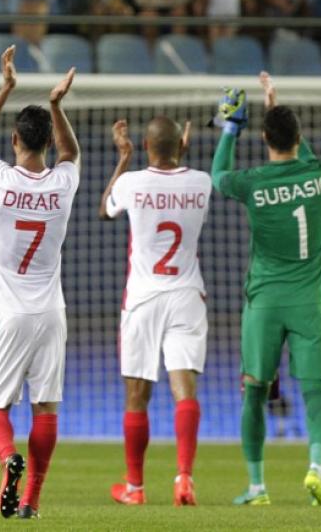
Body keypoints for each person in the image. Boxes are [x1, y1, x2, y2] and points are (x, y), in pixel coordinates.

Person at [0, 48, 79, 520]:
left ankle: (7, 457)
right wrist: (56, 105)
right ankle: (31, 499)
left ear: (13, 140)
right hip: (50, 313)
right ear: (48, 141)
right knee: (46, 407)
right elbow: (71, 153)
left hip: (6, 311)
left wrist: (6, 87)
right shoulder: (63, 183)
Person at [212, 72, 321, 506]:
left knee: (255, 391)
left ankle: (257, 487)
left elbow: (218, 175)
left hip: (264, 304)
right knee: (316, 393)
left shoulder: (254, 182)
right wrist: (274, 104)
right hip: (310, 303)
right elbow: (299, 148)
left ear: (264, 138)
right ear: (299, 137)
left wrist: (231, 128)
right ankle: (315, 467)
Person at [99, 117, 210, 506]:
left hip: (144, 298)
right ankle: (184, 478)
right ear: (182, 144)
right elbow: (181, 175)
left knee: (136, 394)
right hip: (187, 295)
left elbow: (105, 210)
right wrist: (182, 150)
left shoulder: (131, 183)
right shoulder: (202, 182)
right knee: (185, 390)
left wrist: (123, 158)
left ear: (145, 146)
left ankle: (135, 487)